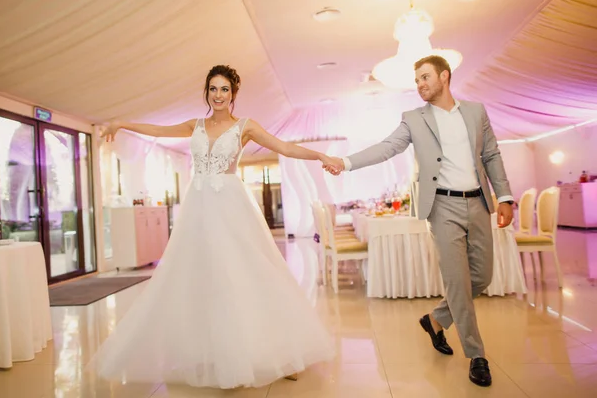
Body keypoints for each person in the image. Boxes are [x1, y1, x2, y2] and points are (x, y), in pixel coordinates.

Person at [87, 65, 335, 389]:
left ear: (233, 95)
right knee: (204, 279)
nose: (218, 95)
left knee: (248, 275)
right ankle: (217, 352)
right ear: (207, 92)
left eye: (224, 90)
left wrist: (320, 155)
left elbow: (285, 148)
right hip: (198, 211)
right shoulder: (196, 125)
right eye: (213, 89)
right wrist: (121, 123)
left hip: (231, 208)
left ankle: (280, 353)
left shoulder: (245, 127)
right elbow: (158, 130)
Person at [323, 55, 514, 387]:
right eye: (416, 80)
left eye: (425, 77)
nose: (420, 84)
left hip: (479, 203)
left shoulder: (476, 112)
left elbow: (492, 155)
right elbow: (386, 148)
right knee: (457, 282)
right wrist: (345, 162)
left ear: (444, 76)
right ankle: (476, 355)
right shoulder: (414, 119)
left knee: (481, 278)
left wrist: (506, 196)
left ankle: (435, 320)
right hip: (443, 208)